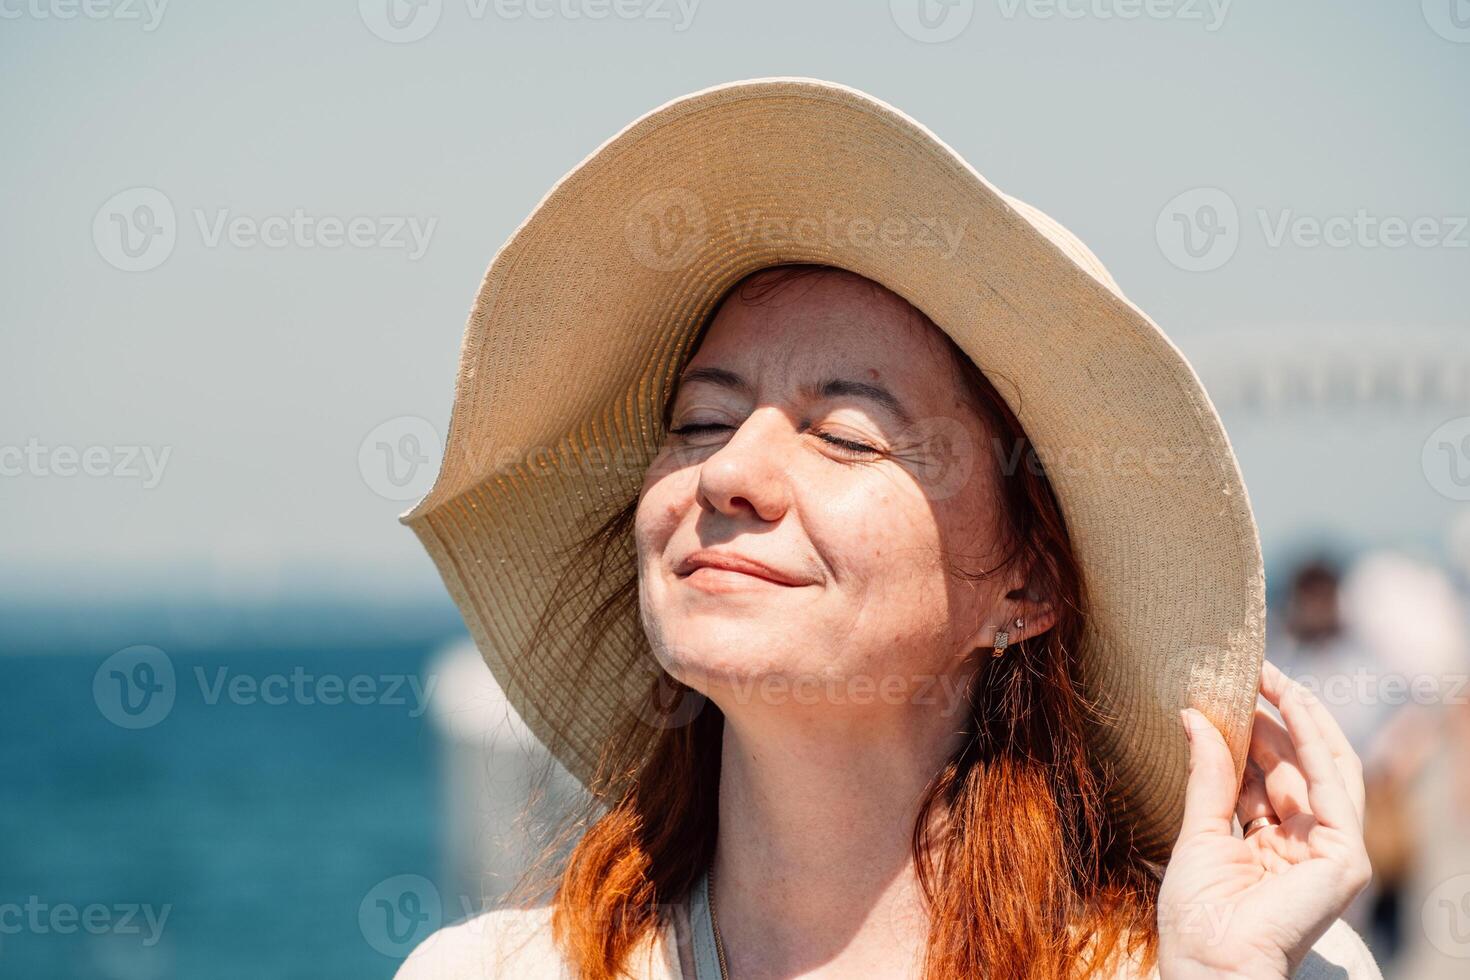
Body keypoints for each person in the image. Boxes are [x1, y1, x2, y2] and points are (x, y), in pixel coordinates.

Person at [393, 79, 1381, 979]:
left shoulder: (1250, 961)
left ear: (1027, 585)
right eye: (699, 421)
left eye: (848, 436)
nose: (729, 472)